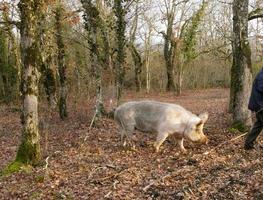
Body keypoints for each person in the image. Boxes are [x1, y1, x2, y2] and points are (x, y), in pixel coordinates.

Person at [245, 68, 263, 150]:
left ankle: (248, 144)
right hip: (260, 105)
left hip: (259, 105)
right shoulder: (261, 76)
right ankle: (248, 144)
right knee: (258, 125)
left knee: (258, 125)